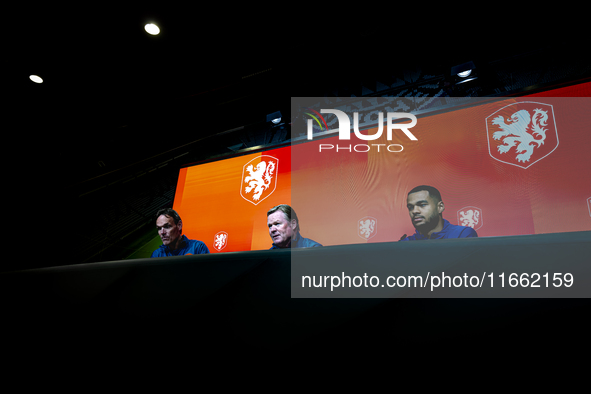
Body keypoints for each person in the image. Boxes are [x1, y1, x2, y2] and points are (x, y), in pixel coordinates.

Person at [400, 185, 478, 241]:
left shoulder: (462, 235)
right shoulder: (406, 243)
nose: (414, 211)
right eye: (410, 207)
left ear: (440, 207)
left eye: (422, 205)